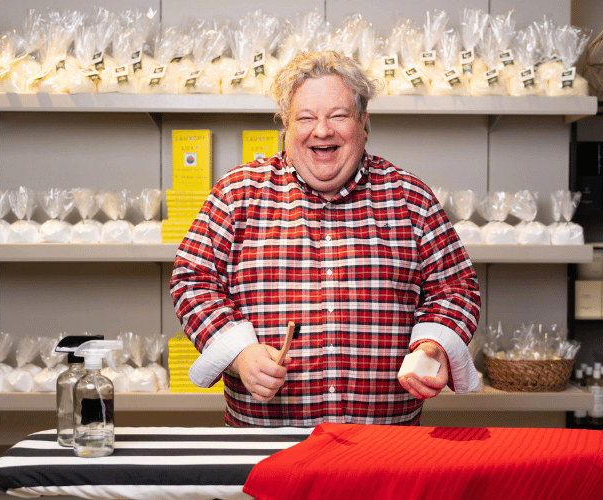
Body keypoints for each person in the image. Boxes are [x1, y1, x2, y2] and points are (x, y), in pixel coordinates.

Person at [170, 50, 481, 427]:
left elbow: (456, 287)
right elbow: (193, 280)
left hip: (384, 449)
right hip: (267, 448)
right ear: (286, 124)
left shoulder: (409, 197)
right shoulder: (239, 194)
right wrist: (240, 354)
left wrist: (432, 346)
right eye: (305, 118)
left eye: (338, 116)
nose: (321, 131)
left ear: (363, 122)